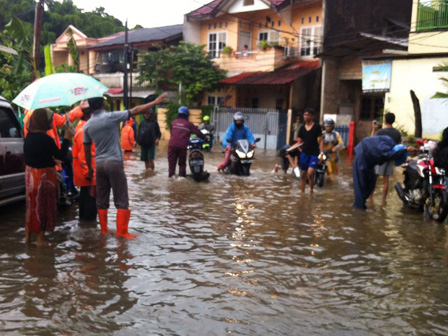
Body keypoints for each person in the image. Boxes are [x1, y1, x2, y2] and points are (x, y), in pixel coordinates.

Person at [83, 93, 167, 239]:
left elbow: (86, 148)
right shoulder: (111, 116)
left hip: (99, 164)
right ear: (103, 104)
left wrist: (90, 169)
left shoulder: (88, 125)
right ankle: (122, 232)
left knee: (102, 199)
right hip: (114, 162)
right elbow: (136, 110)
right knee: (121, 197)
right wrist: (155, 102)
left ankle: (104, 230)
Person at [24, 108, 75, 246]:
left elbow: (34, 157)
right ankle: (40, 240)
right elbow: (61, 155)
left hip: (30, 177)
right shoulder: (46, 138)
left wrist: (51, 161)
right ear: (42, 121)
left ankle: (27, 238)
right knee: (43, 207)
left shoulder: (29, 136)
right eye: (49, 119)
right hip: (43, 178)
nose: (51, 121)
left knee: (31, 207)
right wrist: (66, 137)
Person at [353, 135, 414, 210]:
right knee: (361, 185)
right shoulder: (386, 149)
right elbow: (390, 155)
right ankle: (359, 210)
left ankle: (363, 206)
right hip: (361, 158)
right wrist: (405, 150)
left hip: (369, 161)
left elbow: (392, 155)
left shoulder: (389, 142)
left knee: (371, 182)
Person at [370, 112, 402, 201]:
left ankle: (370, 199)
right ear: (393, 121)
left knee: (374, 179)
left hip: (380, 157)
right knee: (386, 180)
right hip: (390, 158)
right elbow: (399, 146)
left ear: (385, 120)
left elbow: (371, 141)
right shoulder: (397, 133)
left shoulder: (380, 132)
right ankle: (383, 200)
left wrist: (373, 129)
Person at [168, 106, 207, 177]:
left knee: (172, 164)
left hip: (172, 145)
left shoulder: (173, 123)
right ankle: (182, 177)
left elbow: (172, 134)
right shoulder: (189, 124)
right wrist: (205, 139)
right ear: (187, 115)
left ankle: (171, 177)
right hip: (182, 147)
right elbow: (198, 133)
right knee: (182, 164)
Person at [73, 109, 97, 222]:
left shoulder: (81, 128)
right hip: (88, 174)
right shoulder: (84, 131)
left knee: (85, 200)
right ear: (88, 115)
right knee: (90, 205)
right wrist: (89, 172)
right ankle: (89, 230)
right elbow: (83, 154)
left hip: (85, 173)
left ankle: (85, 229)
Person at [296, 108, 323, 194]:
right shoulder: (301, 129)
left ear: (312, 116)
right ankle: (302, 193)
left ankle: (311, 191)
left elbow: (321, 140)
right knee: (303, 175)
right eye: (304, 114)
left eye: (307, 115)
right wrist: (297, 148)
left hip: (314, 154)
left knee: (310, 173)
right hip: (304, 154)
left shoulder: (317, 127)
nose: (305, 116)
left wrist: (321, 153)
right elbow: (299, 142)